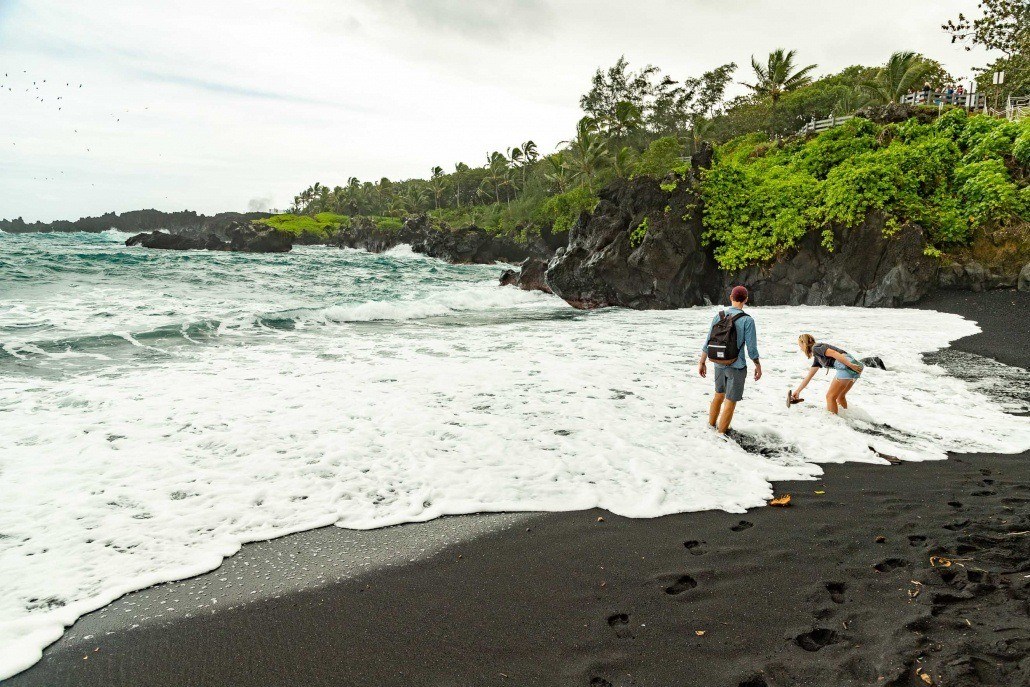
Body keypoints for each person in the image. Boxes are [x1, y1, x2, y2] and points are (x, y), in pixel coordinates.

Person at [698, 285, 762, 433]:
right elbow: (751, 348)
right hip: (736, 366)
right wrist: (757, 365)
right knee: (730, 400)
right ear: (746, 299)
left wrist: (702, 362)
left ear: (731, 298)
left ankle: (711, 427)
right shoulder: (747, 320)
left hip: (718, 363)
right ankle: (721, 435)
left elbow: (708, 341)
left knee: (718, 395)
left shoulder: (719, 316)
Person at [791, 334, 864, 414]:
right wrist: (798, 391)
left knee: (830, 397)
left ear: (804, 343)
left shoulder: (816, 348)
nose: (800, 349)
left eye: (800, 345)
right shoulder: (818, 358)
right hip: (855, 368)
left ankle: (835, 423)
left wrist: (850, 365)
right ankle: (847, 420)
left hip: (849, 367)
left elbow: (833, 353)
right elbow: (809, 376)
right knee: (840, 397)